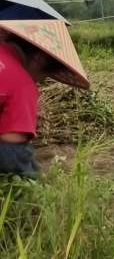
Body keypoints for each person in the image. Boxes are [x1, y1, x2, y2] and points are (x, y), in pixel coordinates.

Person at [0, 35, 63, 177]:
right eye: (45, 76)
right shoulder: (23, 83)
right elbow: (11, 144)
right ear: (40, 59)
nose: (39, 81)